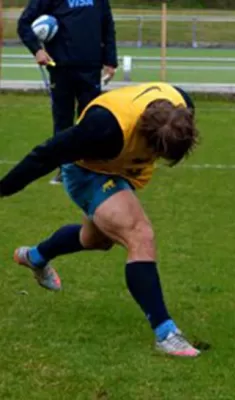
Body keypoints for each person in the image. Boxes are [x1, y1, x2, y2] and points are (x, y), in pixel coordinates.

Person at [0, 83, 201, 357]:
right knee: (139, 235)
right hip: (88, 171)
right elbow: (46, 155)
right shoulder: (102, 129)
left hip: (121, 167)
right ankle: (166, 333)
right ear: (147, 135)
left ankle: (36, 256)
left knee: (96, 239)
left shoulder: (182, 105)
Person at [17, 0, 118, 185]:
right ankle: (64, 169)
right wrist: (37, 50)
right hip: (60, 67)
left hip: (91, 67)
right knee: (63, 122)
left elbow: (107, 25)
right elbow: (23, 23)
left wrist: (111, 61)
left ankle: (90, 168)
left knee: (91, 119)